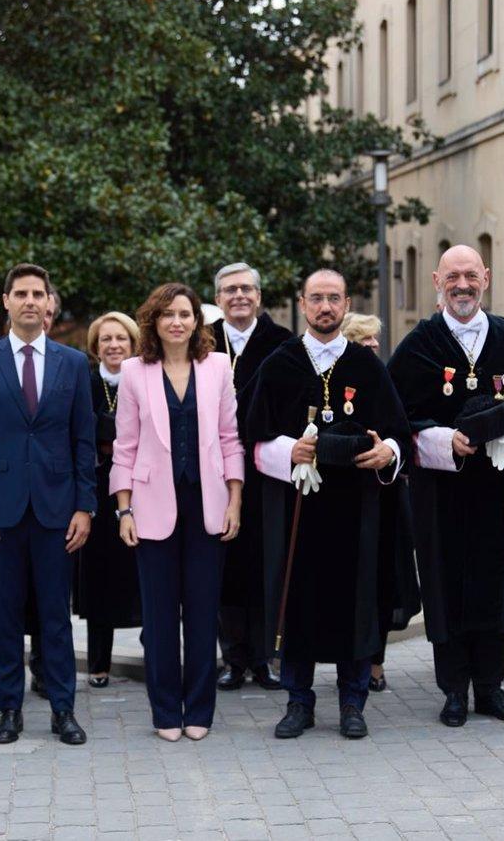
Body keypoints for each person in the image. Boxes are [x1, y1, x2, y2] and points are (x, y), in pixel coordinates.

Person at [387, 244, 504, 727]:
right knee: (444, 582)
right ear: (437, 281)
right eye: (453, 277)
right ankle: (454, 690)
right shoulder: (420, 344)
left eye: (471, 276)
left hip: (498, 487)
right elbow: (399, 417)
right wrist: (444, 441)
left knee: (494, 581)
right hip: (441, 490)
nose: (463, 285)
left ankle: (490, 688)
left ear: (487, 278)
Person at [244, 269, 413, 740]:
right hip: (297, 512)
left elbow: (401, 434)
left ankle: (353, 701)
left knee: (355, 605)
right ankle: (299, 701)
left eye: (333, 299)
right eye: (316, 298)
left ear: (346, 303)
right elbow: (251, 439)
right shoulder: (279, 364)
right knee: (297, 604)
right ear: (302, 303)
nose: (325, 307)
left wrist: (389, 453)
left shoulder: (366, 365)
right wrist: (287, 451)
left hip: (357, 514)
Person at [0, 263, 95, 745]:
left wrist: (86, 507)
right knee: (4, 615)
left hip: (58, 510)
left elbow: (84, 441)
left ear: (49, 304)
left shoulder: (73, 364)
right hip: (0, 512)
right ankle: (8, 709)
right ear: (6, 302)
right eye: (21, 293)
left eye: (38, 293)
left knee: (56, 616)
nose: (30, 302)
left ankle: (63, 709)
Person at [111, 283, 244, 741]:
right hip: (151, 509)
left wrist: (235, 500)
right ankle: (166, 710)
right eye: (167, 314)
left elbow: (230, 439)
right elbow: (124, 448)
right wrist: (123, 511)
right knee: (160, 617)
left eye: (184, 313)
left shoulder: (218, 368)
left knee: (204, 614)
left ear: (196, 321)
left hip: (206, 505)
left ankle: (200, 710)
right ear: (154, 322)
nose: (176, 322)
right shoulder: (133, 372)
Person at [209, 262, 292, 692]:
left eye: (246, 289)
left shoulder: (282, 343)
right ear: (219, 298)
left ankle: (268, 656)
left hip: (267, 472)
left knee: (267, 562)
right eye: (229, 290)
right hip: (216, 472)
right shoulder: (203, 343)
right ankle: (233, 657)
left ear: (259, 297)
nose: (238, 295)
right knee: (227, 565)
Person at [342, 312, 420, 694]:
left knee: (385, 583)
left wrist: (390, 448)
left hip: (387, 494)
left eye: (374, 338)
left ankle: (376, 665)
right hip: (345, 498)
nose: (372, 345)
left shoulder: (385, 376)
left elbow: (403, 429)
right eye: (361, 338)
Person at [76, 312, 144, 688]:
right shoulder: (83, 383)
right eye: (106, 339)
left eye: (121, 338)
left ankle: (155, 654)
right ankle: (98, 664)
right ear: (95, 346)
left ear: (133, 344)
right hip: (97, 489)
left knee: (143, 576)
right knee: (98, 578)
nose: (114, 345)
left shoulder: (144, 379)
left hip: (141, 489)